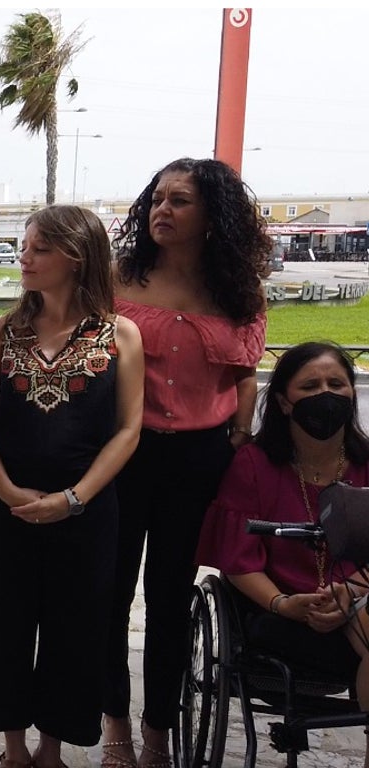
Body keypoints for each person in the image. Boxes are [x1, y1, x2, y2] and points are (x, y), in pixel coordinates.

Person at [101, 157, 272, 768]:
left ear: (212, 217)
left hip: (198, 462)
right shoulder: (119, 277)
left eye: (179, 201)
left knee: (170, 599)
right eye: (157, 199)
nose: (162, 211)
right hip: (125, 453)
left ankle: (156, 736)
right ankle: (114, 726)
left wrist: (241, 425)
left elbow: (244, 373)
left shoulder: (237, 290)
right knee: (110, 595)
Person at [0, 206, 144, 768]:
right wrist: (8, 490)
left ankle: (51, 750)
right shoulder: (3, 330)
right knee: (4, 622)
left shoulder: (120, 336)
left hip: (87, 513)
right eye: (25, 246)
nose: (24, 258)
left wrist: (74, 499)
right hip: (7, 509)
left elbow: (128, 430)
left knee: (77, 628)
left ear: (75, 256)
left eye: (38, 249)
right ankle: (14, 749)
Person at [195, 341, 369, 761]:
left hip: (358, 600)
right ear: (284, 403)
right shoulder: (254, 465)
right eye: (310, 385)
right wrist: (284, 603)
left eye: (336, 383)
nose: (326, 394)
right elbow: (238, 561)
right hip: (279, 608)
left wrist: (350, 590)